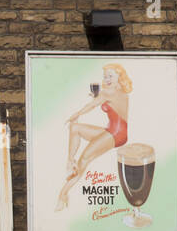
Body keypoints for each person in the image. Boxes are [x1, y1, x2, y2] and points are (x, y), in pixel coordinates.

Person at [55, 63, 133, 211]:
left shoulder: (108, 93)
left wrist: (75, 114)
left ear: (119, 76)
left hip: (116, 134)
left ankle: (63, 194)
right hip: (112, 130)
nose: (107, 79)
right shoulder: (117, 91)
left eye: (111, 76)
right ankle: (70, 161)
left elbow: (91, 106)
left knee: (84, 160)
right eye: (105, 76)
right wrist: (97, 98)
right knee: (75, 128)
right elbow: (107, 103)